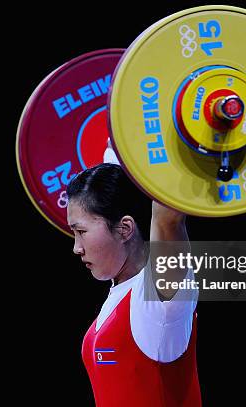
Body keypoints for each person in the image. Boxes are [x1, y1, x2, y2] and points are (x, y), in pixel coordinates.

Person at [66, 163, 201, 406]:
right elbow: (120, 154)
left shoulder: (158, 299)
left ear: (125, 228)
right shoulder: (120, 294)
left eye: (81, 231)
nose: (76, 247)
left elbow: (168, 219)